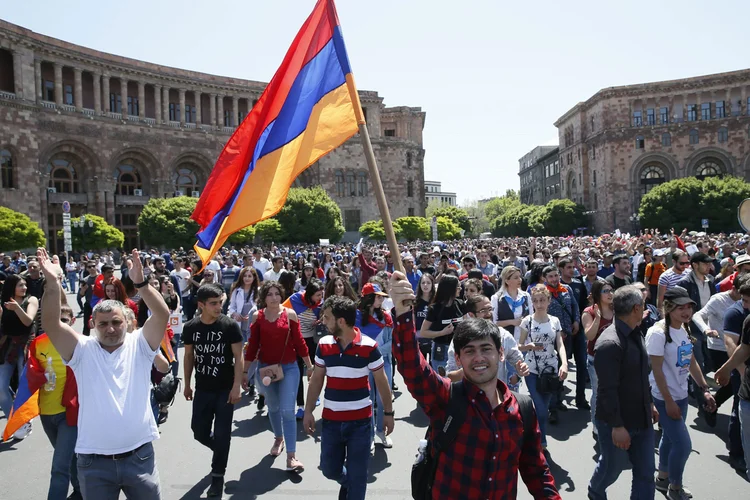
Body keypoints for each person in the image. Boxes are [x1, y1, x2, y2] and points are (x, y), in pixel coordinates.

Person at [388, 271, 560, 499]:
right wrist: (402, 313)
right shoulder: (446, 398)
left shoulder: (523, 408)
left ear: (500, 353)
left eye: (486, 349)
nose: (478, 357)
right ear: (458, 359)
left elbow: (536, 470)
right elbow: (412, 368)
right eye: (469, 351)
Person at [38, 248, 168, 500]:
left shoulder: (140, 344)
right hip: (93, 464)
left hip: (139, 458)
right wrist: (53, 284)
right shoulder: (82, 350)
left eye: (116, 322)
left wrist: (140, 283)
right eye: (103, 323)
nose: (110, 328)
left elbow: (161, 314)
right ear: (92, 325)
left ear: (127, 322)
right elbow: (52, 324)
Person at [302, 296, 394, 500]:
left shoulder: (369, 347)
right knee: (329, 470)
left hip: (360, 424)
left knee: (359, 478)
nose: (323, 322)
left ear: (341, 321)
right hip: (331, 422)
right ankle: (348, 483)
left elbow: (382, 382)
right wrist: (308, 411)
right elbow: (317, 380)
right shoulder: (323, 345)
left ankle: (353, 487)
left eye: (327, 318)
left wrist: (388, 413)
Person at [588, 285, 659, 500]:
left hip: (642, 418)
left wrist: (650, 404)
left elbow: (641, 375)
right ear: (637, 308)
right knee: (612, 469)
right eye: (643, 305)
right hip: (616, 422)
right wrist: (618, 426)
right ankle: (595, 491)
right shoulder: (610, 343)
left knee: (646, 473)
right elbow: (607, 391)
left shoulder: (636, 333)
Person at [646, 286, 716, 500]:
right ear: (668, 308)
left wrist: (704, 388)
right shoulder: (657, 333)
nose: (686, 312)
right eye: (680, 308)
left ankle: (662, 478)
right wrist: (667, 402)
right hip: (664, 397)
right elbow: (656, 370)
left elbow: (691, 360)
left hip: (682, 395)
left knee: (670, 438)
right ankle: (675, 488)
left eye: (689, 307)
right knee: (684, 445)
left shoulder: (683, 328)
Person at [244, 281, 313, 473]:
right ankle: (278, 438)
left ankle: (291, 456)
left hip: (290, 368)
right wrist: (244, 372)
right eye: (270, 294)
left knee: (287, 411)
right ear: (263, 297)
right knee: (273, 408)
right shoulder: (258, 317)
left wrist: (309, 366)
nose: (274, 298)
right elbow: (252, 346)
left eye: (277, 294)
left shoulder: (290, 314)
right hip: (266, 369)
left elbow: (299, 342)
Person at [182, 283, 243, 497]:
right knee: (198, 431)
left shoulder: (230, 326)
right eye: (213, 304)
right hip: (203, 388)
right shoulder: (191, 327)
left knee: (223, 433)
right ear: (201, 305)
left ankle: (218, 475)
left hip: (225, 390)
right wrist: (187, 383)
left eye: (220, 302)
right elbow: (189, 356)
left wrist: (237, 386)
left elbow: (238, 357)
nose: (219, 307)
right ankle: (219, 450)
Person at [32, 304, 82, 500]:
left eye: (65, 321)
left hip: (69, 414)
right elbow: (30, 375)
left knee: (59, 466)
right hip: (46, 413)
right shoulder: (37, 344)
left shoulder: (80, 344)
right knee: (69, 457)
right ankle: (81, 491)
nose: (60, 325)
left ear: (72, 322)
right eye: (56, 321)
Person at [518, 284, 568, 449]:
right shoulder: (527, 321)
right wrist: (529, 346)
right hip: (532, 369)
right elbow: (519, 346)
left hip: (551, 370)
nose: (539, 304)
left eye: (542, 300)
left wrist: (565, 364)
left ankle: (537, 434)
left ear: (548, 301)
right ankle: (541, 441)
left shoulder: (555, 321)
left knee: (544, 409)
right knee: (540, 409)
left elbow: (560, 344)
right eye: (535, 301)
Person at [446, 294, 529, 388]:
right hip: (468, 397)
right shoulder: (461, 337)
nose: (488, 313)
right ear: (471, 315)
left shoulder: (503, 336)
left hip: (495, 396)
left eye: (490, 309)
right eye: (483, 311)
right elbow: (450, 376)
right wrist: (473, 368)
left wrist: (520, 370)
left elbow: (518, 360)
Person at [0, 274, 39, 439]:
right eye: (20, 285)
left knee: (23, 387)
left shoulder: (31, 300)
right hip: (8, 348)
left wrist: (16, 308)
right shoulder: (3, 304)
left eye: (24, 285)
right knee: (1, 388)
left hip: (26, 346)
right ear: (11, 287)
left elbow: (28, 321)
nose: (24, 288)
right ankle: (15, 422)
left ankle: (23, 422)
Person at [355, 282, 394, 450]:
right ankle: (370, 434)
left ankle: (381, 431)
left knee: (383, 399)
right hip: (364, 365)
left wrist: (376, 352)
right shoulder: (356, 317)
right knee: (368, 400)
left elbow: (393, 341)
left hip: (384, 362)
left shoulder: (386, 316)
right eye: (379, 297)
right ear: (370, 299)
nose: (381, 300)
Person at [282, 279, 324, 419]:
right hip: (296, 342)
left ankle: (314, 397)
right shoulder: (295, 299)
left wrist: (319, 322)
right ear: (310, 294)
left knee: (314, 372)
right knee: (298, 373)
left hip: (313, 342)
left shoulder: (320, 306)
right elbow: (282, 313)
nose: (320, 298)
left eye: (321, 295)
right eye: (318, 295)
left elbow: (324, 320)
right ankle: (300, 405)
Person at [581, 280, 614, 436]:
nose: (610, 294)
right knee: (598, 392)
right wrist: (598, 318)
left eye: (610, 290)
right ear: (597, 294)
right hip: (596, 360)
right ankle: (596, 422)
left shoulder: (617, 309)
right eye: (605, 291)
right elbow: (589, 335)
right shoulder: (589, 312)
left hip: (615, 359)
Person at [419, 274, 464, 374]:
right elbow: (423, 332)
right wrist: (442, 332)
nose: (460, 289)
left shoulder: (460, 304)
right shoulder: (435, 308)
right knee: (443, 383)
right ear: (450, 288)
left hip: (458, 348)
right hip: (441, 349)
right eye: (458, 287)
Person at [228, 267, 259, 344]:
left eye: (249, 276)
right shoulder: (236, 290)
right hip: (239, 326)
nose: (247, 278)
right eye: (245, 276)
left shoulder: (258, 291)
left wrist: (252, 315)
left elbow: (260, 307)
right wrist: (235, 314)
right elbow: (231, 307)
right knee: (241, 351)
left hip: (253, 327)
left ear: (254, 278)